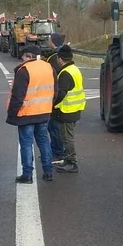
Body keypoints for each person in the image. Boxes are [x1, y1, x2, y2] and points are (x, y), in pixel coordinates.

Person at [6, 44, 57, 183]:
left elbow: (18, 95)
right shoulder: (48, 67)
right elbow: (55, 90)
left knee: (27, 144)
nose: (21, 60)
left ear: (28, 56)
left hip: (27, 113)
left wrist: (12, 114)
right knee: (44, 142)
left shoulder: (24, 70)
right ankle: (48, 172)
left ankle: (27, 174)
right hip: (44, 112)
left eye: (22, 56)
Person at [52, 45, 86, 174]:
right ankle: (68, 160)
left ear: (60, 59)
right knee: (67, 137)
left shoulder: (65, 73)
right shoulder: (74, 69)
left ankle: (72, 163)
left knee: (67, 138)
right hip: (75, 109)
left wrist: (52, 105)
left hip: (67, 110)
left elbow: (61, 93)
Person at [43, 31, 67, 163]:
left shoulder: (54, 57)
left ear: (53, 41)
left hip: (55, 97)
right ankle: (56, 151)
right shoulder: (60, 55)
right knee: (55, 127)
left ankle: (58, 153)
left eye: (49, 39)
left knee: (54, 127)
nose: (48, 41)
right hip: (60, 97)